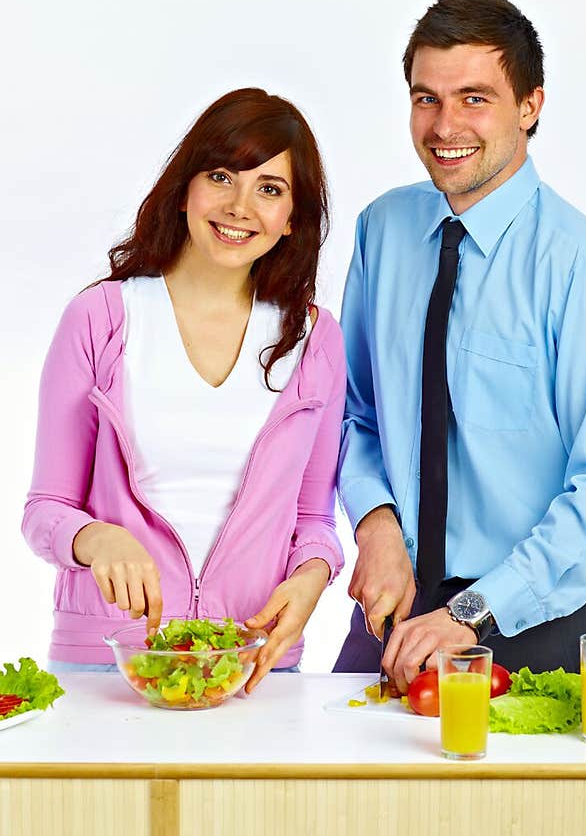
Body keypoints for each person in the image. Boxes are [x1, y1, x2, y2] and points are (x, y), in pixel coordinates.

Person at [333, 0, 586, 688]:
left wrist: (474, 611)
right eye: (426, 98)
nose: (445, 124)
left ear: (530, 107)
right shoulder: (382, 232)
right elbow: (354, 411)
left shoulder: (581, 266)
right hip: (398, 606)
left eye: (475, 98)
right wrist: (375, 522)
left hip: (534, 617)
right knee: (339, 792)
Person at [23, 88, 346, 692]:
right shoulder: (102, 318)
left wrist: (313, 576)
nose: (239, 205)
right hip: (108, 664)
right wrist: (96, 538)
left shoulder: (315, 338)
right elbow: (45, 511)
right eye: (222, 176)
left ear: (293, 218)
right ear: (186, 189)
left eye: (270, 189)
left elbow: (312, 520)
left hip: (252, 665)